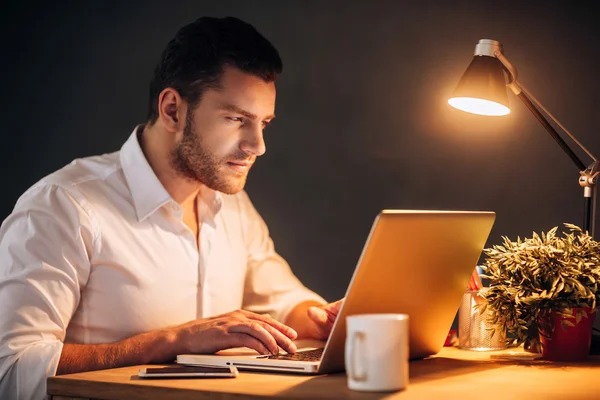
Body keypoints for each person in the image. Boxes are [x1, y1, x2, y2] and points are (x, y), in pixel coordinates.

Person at [0, 16, 342, 399]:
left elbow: (282, 301)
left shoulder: (233, 206)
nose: (258, 145)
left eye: (263, 123)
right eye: (236, 119)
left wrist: (325, 319)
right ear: (173, 110)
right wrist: (172, 341)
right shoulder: (62, 206)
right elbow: (11, 369)